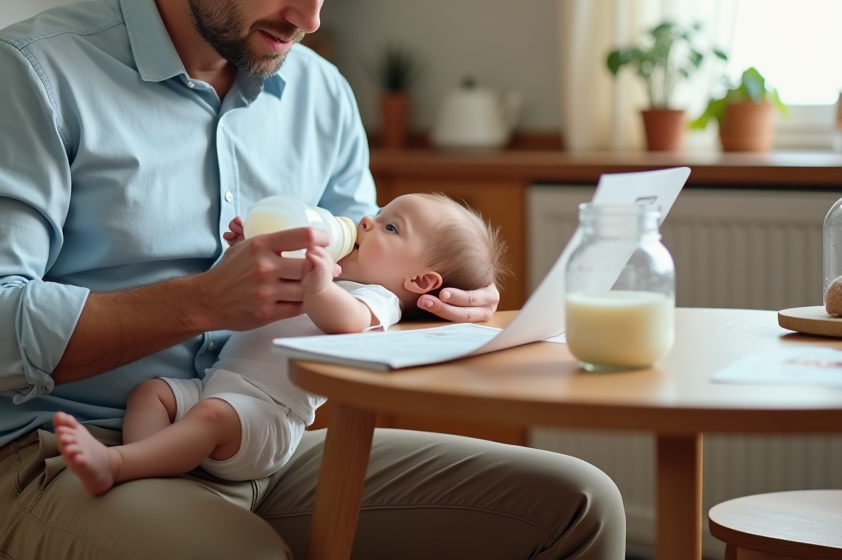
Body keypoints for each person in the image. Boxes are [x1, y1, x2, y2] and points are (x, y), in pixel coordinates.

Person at [0, 0, 625, 560]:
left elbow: (366, 279)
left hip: (268, 445)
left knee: (578, 505)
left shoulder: (320, 93)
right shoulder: (30, 76)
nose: (312, 17)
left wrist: (437, 301)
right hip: (72, 455)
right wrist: (202, 301)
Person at [53, 192, 504, 493]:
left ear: (420, 281)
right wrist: (251, 249)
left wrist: (318, 284)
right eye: (380, 213)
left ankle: (119, 466)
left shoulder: (377, 301)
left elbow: (345, 323)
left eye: (391, 228)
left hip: (266, 418)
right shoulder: (335, 277)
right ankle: (151, 470)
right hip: (216, 386)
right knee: (151, 393)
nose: (368, 219)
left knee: (212, 416)